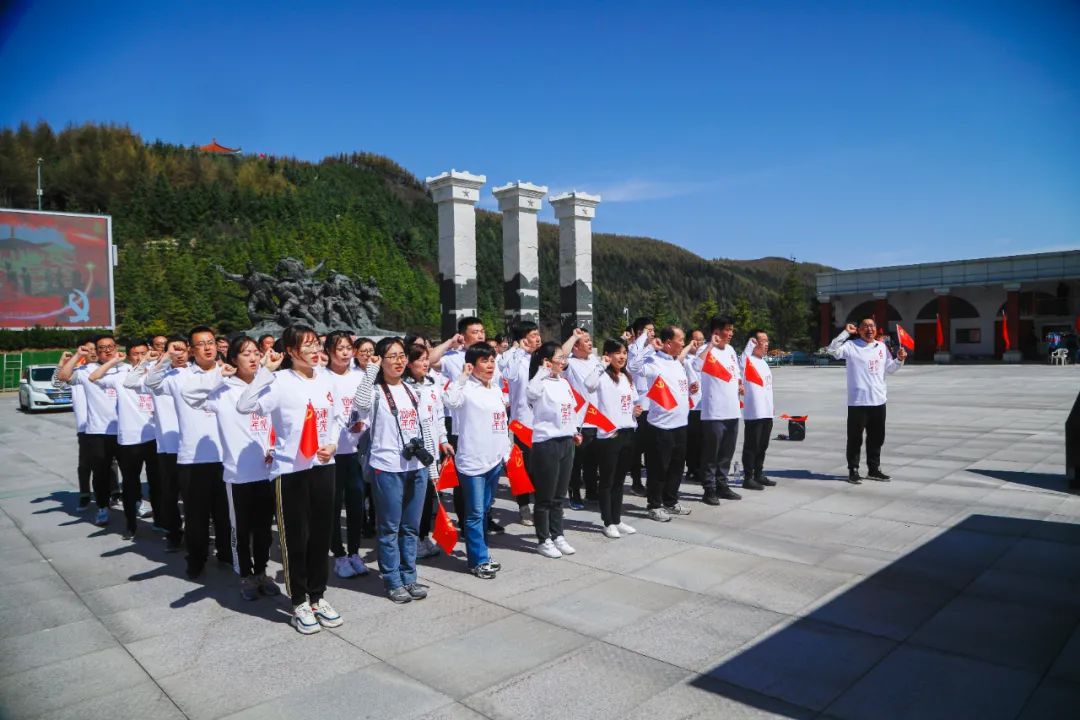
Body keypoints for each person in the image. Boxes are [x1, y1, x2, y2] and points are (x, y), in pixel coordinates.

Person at [238, 325, 343, 633]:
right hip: (290, 472)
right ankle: (298, 602)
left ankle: (317, 597)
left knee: (321, 536)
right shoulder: (279, 381)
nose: (315, 351)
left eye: (316, 344)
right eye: (307, 346)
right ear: (291, 351)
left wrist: (333, 443)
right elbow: (244, 406)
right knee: (296, 539)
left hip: (324, 465)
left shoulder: (326, 378)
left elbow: (337, 417)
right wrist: (264, 372)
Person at [182, 336, 280, 601]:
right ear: (234, 359)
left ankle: (261, 572)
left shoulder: (269, 385)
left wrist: (274, 449)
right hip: (238, 474)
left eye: (255, 352)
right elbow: (189, 396)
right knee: (241, 531)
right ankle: (245, 574)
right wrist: (217, 376)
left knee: (264, 531)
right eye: (245, 353)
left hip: (268, 471)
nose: (253, 358)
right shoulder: (223, 390)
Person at [353, 337, 439, 604]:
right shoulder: (376, 392)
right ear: (381, 360)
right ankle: (392, 580)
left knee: (410, 527)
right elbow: (359, 405)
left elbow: (425, 428)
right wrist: (370, 370)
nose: (399, 361)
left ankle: (409, 576)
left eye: (402, 355)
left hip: (417, 467)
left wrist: (431, 467)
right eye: (392, 356)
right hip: (387, 468)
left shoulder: (413, 390)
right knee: (390, 528)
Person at [147, 326, 232, 579]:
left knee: (225, 514)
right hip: (193, 458)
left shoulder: (229, 373)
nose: (207, 348)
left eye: (210, 342)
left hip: (226, 456)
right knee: (196, 516)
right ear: (192, 350)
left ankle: (227, 555)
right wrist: (166, 358)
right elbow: (151, 383)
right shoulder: (179, 377)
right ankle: (196, 559)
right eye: (201, 344)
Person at [430, 317, 508, 533]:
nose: (480, 335)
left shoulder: (492, 359)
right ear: (463, 335)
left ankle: (485, 518)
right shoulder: (454, 358)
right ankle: (467, 521)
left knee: (489, 477)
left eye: (482, 331)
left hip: (489, 426)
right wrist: (449, 343)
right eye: (475, 332)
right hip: (462, 426)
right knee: (466, 478)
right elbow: (430, 360)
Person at [443, 343, 509, 578]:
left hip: (494, 460)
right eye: (484, 361)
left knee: (485, 510)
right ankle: (477, 560)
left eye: (492, 360)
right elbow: (449, 401)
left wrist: (506, 453)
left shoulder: (495, 390)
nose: (490, 365)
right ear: (472, 365)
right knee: (474, 513)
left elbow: (501, 424)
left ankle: (483, 553)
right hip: (472, 462)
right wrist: (463, 376)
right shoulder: (466, 390)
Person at [89, 338, 159, 537]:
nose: (140, 357)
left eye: (143, 353)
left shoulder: (156, 374)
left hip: (155, 437)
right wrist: (114, 360)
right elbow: (94, 377)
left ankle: (160, 520)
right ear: (128, 356)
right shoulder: (121, 376)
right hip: (129, 440)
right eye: (135, 354)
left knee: (157, 483)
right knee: (130, 484)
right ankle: (131, 525)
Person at [629, 325, 696, 521]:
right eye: (680, 340)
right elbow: (633, 367)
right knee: (658, 469)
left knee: (676, 468)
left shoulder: (676, 363)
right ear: (668, 343)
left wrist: (690, 389)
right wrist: (649, 345)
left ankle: (670, 501)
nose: (683, 343)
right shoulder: (654, 362)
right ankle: (654, 505)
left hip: (680, 425)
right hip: (660, 427)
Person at [527, 332, 584, 558]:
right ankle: (544, 540)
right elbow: (531, 394)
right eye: (560, 358)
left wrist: (575, 431)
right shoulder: (539, 382)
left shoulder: (564, 382)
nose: (563, 361)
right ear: (547, 361)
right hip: (546, 444)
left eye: (563, 357)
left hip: (566, 442)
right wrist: (542, 371)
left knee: (560, 495)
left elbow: (570, 410)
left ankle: (558, 534)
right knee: (545, 497)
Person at [828, 319, 906, 483]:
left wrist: (899, 359)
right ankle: (853, 470)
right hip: (858, 402)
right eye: (865, 326)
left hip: (878, 401)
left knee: (877, 438)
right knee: (855, 439)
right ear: (859, 330)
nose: (869, 329)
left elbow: (890, 368)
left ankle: (874, 469)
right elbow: (832, 350)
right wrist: (846, 333)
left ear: (876, 329)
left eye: (872, 326)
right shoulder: (851, 346)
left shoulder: (881, 347)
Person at [56, 334, 122, 526]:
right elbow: (61, 378)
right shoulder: (84, 371)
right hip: (95, 431)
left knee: (128, 472)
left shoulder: (125, 368)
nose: (103, 351)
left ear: (116, 347)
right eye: (99, 348)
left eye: (109, 346)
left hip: (124, 431)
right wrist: (76, 356)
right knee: (96, 470)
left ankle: (130, 502)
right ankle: (99, 505)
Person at [322, 331, 370, 579]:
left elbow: (368, 409)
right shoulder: (321, 378)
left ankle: (354, 552)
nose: (344, 353)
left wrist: (363, 424)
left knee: (355, 505)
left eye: (347, 348)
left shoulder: (360, 377)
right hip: (329, 454)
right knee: (332, 507)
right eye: (338, 348)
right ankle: (338, 555)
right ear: (329, 352)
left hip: (354, 451)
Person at [403, 342, 453, 560]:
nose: (425, 363)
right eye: (420, 360)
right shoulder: (404, 388)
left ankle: (423, 536)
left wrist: (444, 440)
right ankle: (412, 539)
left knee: (429, 495)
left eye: (426, 359)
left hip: (432, 450)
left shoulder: (432, 385)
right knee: (415, 498)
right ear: (409, 363)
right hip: (415, 451)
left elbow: (439, 416)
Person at [691, 316, 747, 504]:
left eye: (732, 329)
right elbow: (696, 366)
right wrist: (710, 346)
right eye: (727, 329)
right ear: (716, 331)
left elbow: (735, 373)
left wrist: (739, 385)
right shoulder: (705, 350)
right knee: (711, 454)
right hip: (714, 412)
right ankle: (709, 489)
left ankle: (722, 485)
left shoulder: (730, 350)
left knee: (726, 453)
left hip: (733, 410)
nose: (731, 333)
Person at [496, 320, 544, 525]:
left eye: (538, 334)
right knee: (524, 468)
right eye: (533, 335)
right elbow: (509, 374)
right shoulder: (512, 357)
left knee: (542, 469)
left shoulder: (542, 357)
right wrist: (518, 350)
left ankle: (542, 507)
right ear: (523, 338)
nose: (538, 338)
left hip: (544, 422)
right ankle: (524, 506)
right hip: (523, 422)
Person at [592, 339, 641, 538]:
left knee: (620, 480)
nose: (622, 357)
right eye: (618, 353)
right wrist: (601, 365)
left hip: (628, 431)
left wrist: (635, 411)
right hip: (610, 434)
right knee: (607, 480)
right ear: (608, 355)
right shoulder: (602, 376)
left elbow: (632, 401)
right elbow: (588, 385)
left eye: (624, 353)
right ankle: (607, 522)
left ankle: (617, 519)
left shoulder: (627, 377)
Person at [54, 337, 97, 509]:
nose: (93, 352)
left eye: (95, 348)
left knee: (110, 462)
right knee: (85, 463)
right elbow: (57, 384)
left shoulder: (107, 370)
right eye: (88, 349)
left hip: (106, 426)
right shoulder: (76, 372)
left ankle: (114, 492)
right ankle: (85, 494)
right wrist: (62, 363)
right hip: (85, 427)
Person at [566, 330, 601, 509]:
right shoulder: (570, 363)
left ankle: (592, 491)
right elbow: (561, 355)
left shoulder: (595, 360)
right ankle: (574, 494)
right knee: (576, 462)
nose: (589, 343)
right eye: (585, 341)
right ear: (576, 346)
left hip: (597, 417)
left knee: (593, 460)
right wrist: (573, 337)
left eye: (590, 340)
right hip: (580, 419)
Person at [741, 330, 777, 489]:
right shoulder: (747, 360)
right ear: (754, 342)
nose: (766, 344)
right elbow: (742, 362)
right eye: (763, 340)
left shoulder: (763, 362)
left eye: (767, 340)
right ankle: (748, 477)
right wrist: (749, 344)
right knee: (752, 446)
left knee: (763, 445)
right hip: (754, 412)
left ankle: (758, 474)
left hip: (767, 411)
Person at [626, 316, 655, 496]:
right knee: (637, 448)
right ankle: (636, 483)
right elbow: (633, 366)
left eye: (653, 330)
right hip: (639, 406)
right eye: (648, 331)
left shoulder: (654, 350)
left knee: (652, 448)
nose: (652, 334)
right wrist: (647, 345)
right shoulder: (631, 350)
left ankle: (652, 482)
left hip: (654, 405)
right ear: (639, 333)